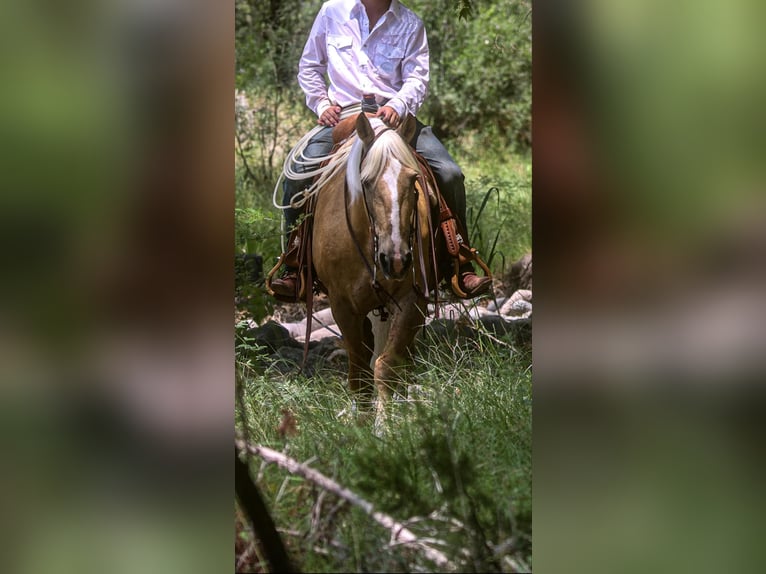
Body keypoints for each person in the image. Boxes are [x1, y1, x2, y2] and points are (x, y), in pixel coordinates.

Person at [270, 0, 491, 300]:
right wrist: (321, 104)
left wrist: (397, 105)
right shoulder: (331, 12)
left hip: (396, 120)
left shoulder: (411, 24)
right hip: (345, 118)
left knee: (450, 174)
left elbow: (417, 78)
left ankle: (458, 261)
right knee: (297, 175)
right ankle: (295, 266)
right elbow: (310, 66)